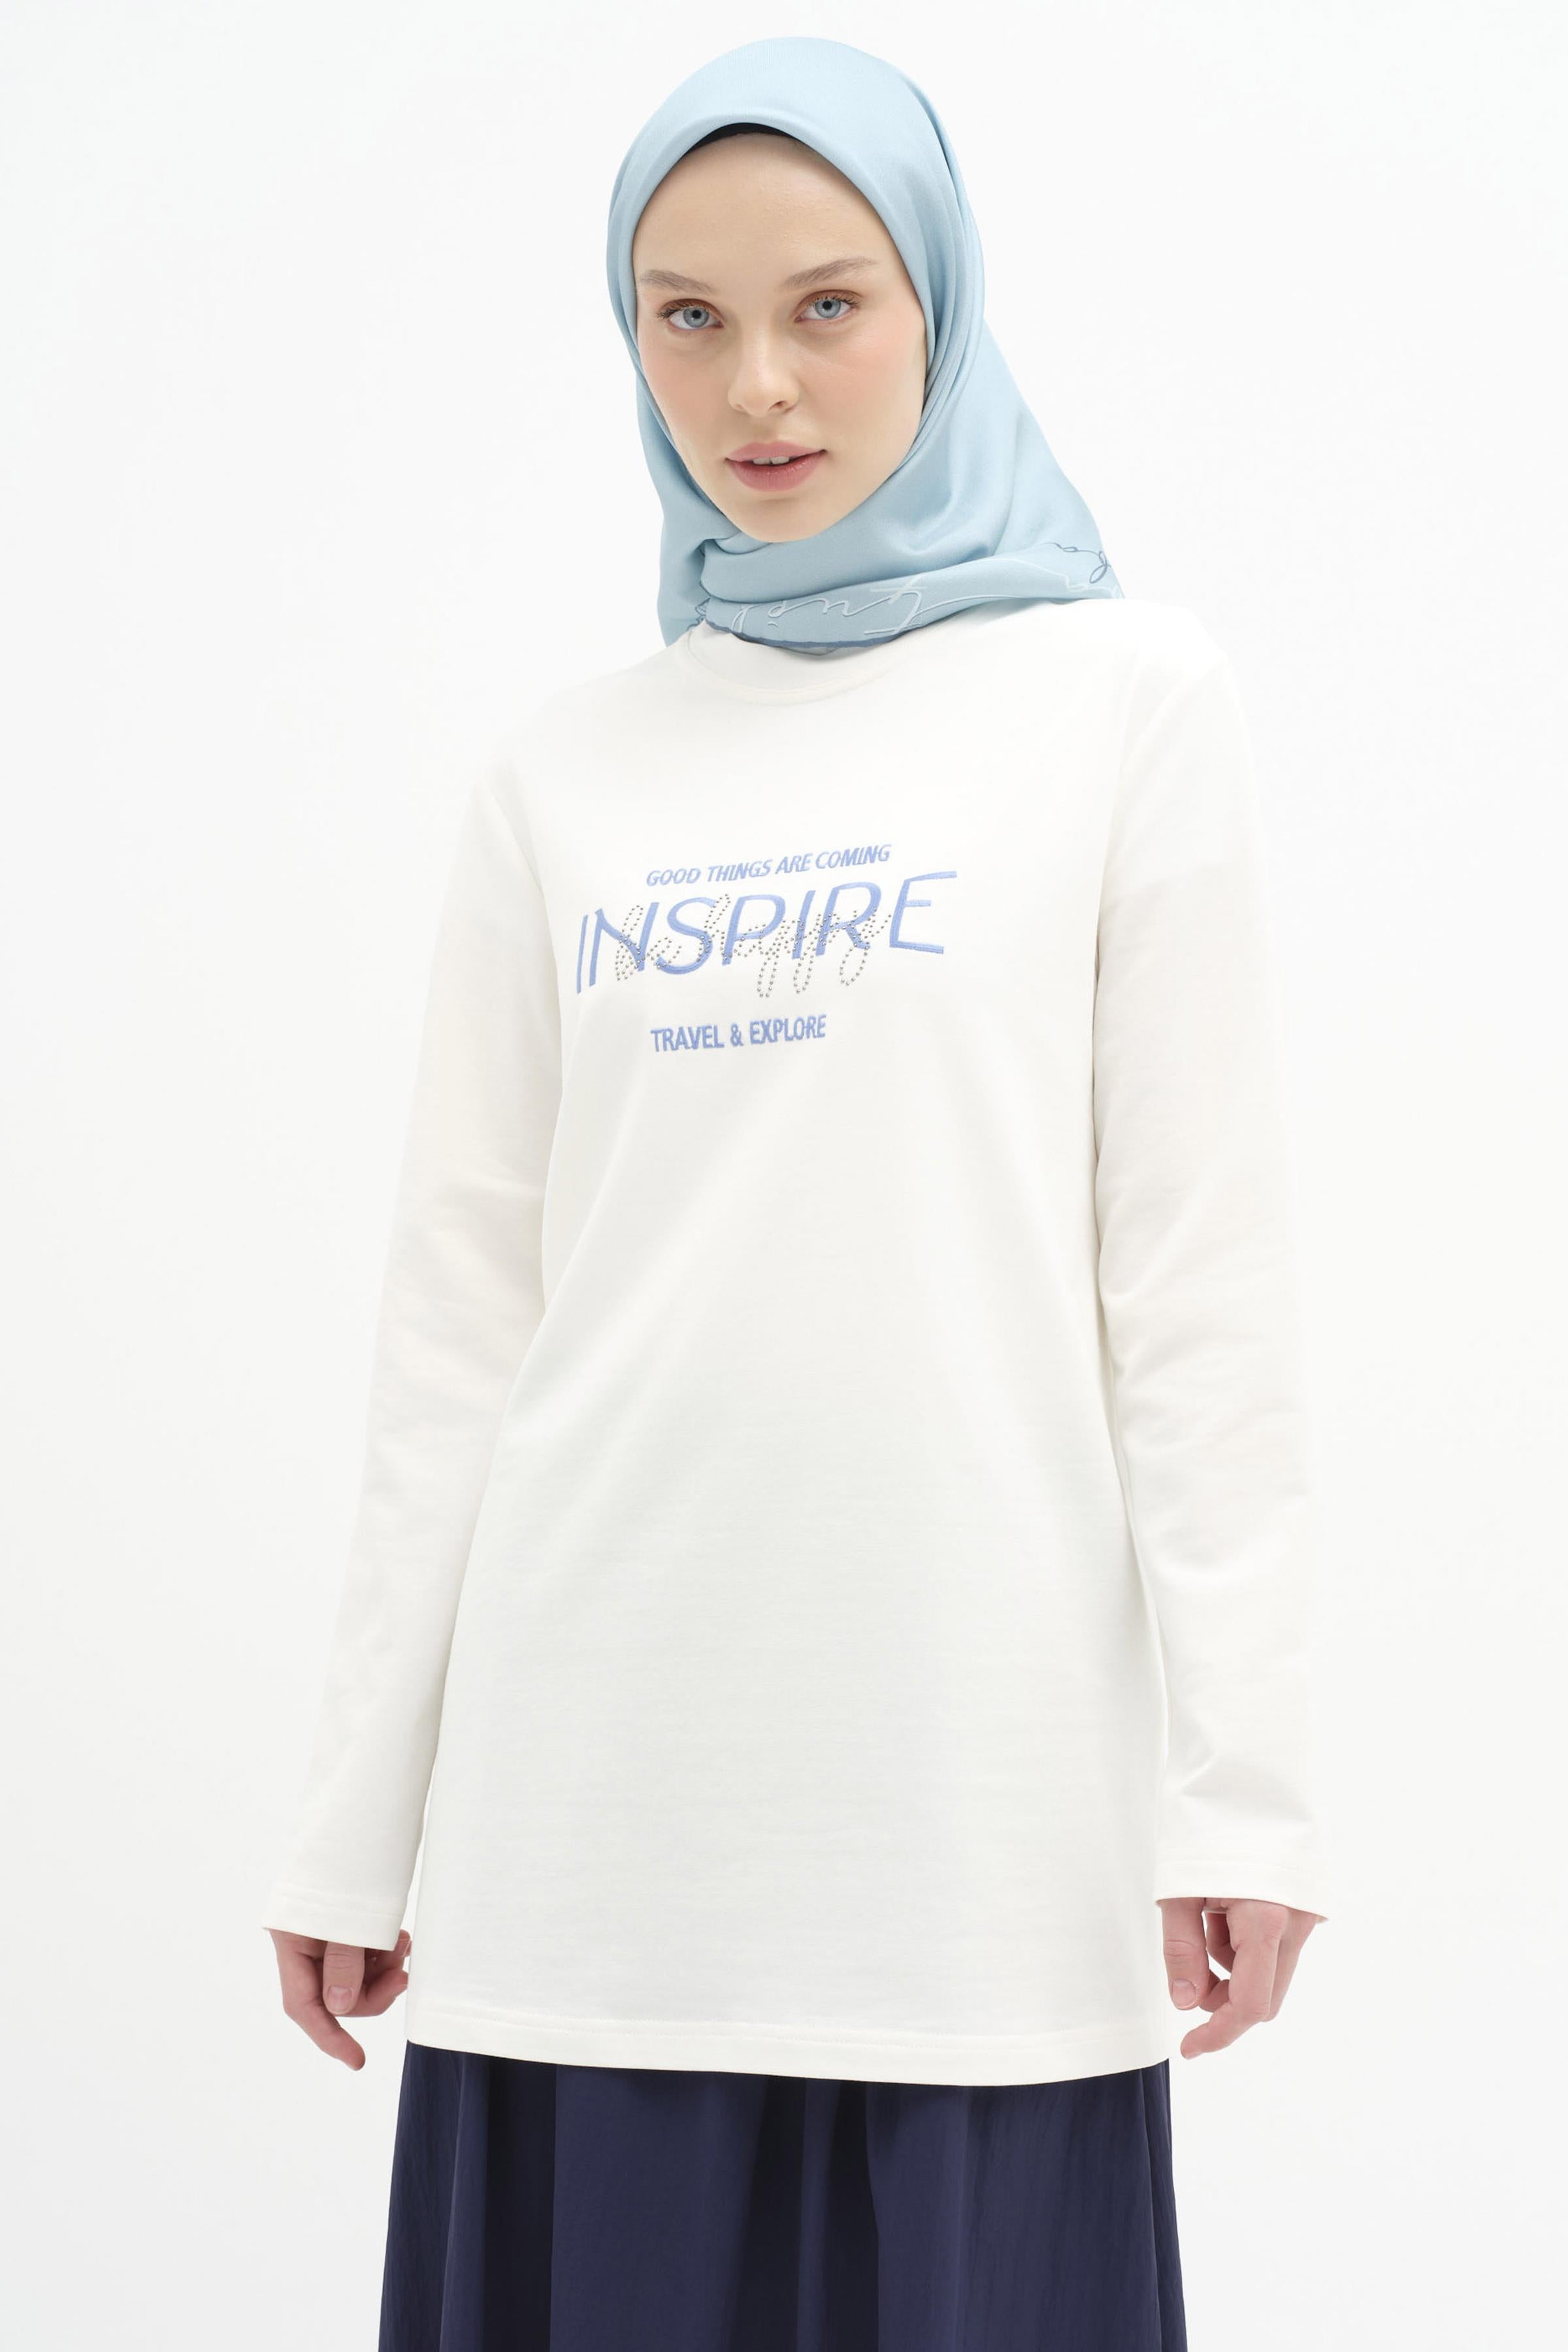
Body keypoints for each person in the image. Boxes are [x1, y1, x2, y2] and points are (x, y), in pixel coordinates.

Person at [262, 35, 1330, 2351]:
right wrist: (355, 1815)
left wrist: (1245, 1796)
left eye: (828, 304)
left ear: (941, 299)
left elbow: (1199, 1283)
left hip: (968, 1832)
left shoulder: (1125, 700)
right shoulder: (565, 773)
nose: (756, 383)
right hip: (583, 1833)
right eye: (689, 316)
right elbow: (461, 1322)